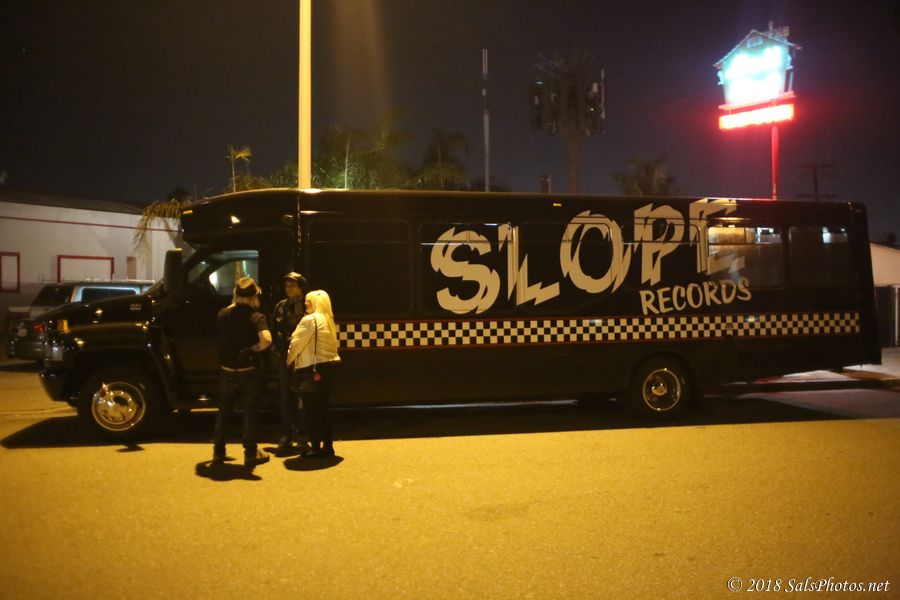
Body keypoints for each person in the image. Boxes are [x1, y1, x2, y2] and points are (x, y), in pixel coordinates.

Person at [213, 276, 272, 467]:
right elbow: (267, 340)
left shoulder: (223, 314)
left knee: (224, 411)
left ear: (235, 294)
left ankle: (218, 451)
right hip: (249, 371)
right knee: (250, 412)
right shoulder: (256, 317)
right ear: (254, 296)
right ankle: (250, 453)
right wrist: (254, 349)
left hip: (227, 370)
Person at [286, 290, 341, 458]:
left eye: (308, 301)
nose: (305, 303)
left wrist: (289, 360)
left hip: (311, 369)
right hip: (328, 368)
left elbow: (296, 343)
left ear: (316, 303)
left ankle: (315, 447)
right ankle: (328, 446)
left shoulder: (310, 320)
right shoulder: (328, 320)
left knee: (311, 410)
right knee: (324, 409)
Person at [271, 271, 310, 454]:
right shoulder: (281, 306)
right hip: (285, 358)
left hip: (304, 357)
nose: (289, 289)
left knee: (303, 396)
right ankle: (285, 434)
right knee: (286, 396)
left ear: (301, 287)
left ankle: (303, 435)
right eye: (287, 285)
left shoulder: (308, 305)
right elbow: (274, 328)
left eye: (293, 285)